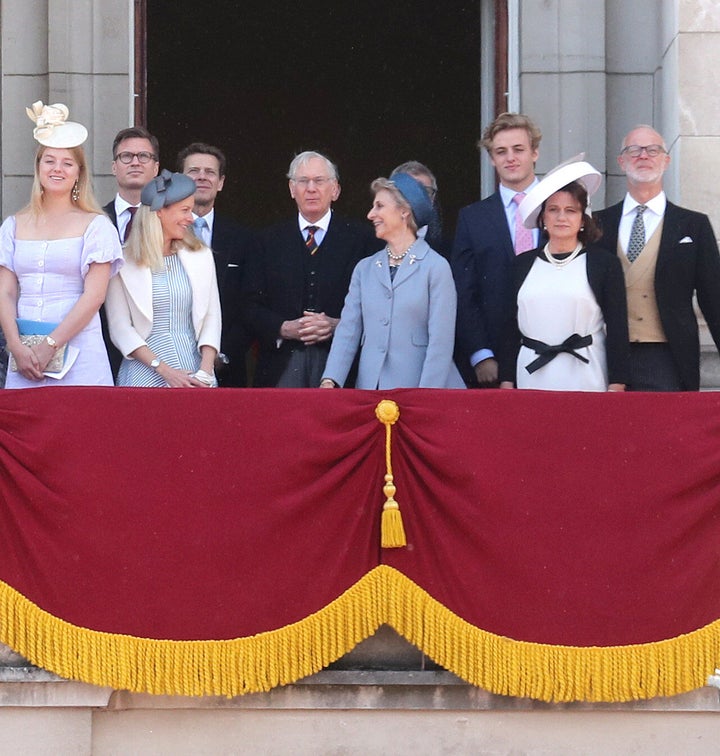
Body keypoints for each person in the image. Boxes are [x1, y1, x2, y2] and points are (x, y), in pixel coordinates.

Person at [0, 101, 123, 388]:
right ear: (38, 167)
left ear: (79, 172)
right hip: (25, 360)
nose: (58, 169)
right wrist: (15, 346)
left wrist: (50, 345)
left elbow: (94, 296)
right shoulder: (13, 225)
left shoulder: (96, 226)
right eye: (50, 161)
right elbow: (5, 292)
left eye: (67, 163)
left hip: (81, 356)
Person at [594, 125, 720, 391]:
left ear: (666, 160)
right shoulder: (599, 224)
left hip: (669, 355)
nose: (644, 156)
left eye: (653, 150)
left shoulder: (693, 225)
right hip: (607, 354)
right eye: (634, 150)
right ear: (621, 160)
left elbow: (714, 297)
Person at [242, 150, 381, 387]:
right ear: (291, 189)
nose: (311, 188)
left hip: (345, 370)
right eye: (303, 181)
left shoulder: (364, 240)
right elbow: (248, 305)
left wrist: (337, 325)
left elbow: (378, 306)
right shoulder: (266, 240)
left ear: (335, 189)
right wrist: (283, 328)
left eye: (319, 181)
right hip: (280, 366)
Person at [320, 174, 465, 389]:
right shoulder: (364, 269)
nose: (371, 214)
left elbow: (440, 344)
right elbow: (348, 331)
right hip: (372, 391)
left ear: (404, 211)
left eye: (379, 206)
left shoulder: (435, 267)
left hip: (420, 391)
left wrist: (425, 397)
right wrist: (330, 379)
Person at [497, 159, 629, 392]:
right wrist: (506, 378)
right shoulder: (521, 265)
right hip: (532, 374)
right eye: (554, 210)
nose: (561, 217)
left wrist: (617, 382)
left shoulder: (604, 264)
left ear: (582, 220)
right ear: (543, 218)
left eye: (571, 211)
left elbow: (617, 328)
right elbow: (508, 328)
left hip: (587, 373)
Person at [105, 170, 221, 388]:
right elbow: (120, 328)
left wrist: (206, 371)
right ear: (159, 212)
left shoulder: (201, 255)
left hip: (196, 371)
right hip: (145, 372)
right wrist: (164, 370)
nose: (190, 218)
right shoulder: (122, 262)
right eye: (185, 210)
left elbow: (212, 316)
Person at [452, 112, 543, 387]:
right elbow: (464, 292)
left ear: (534, 153)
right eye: (500, 152)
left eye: (518, 149)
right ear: (491, 159)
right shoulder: (472, 217)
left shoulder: (561, 209)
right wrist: (480, 354)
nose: (510, 158)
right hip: (493, 356)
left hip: (555, 350)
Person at [177, 142, 257, 387]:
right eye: (194, 171)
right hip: (173, 364)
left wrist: (220, 356)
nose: (202, 177)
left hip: (227, 368)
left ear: (221, 182)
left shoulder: (244, 238)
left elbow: (249, 306)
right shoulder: (161, 234)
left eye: (210, 172)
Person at [102, 126, 161, 378]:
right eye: (126, 156)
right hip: (103, 345)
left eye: (143, 156)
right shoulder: (95, 220)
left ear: (156, 167)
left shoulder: (171, 222)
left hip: (158, 350)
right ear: (114, 166)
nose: (135, 162)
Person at [390, 160, 448, 257]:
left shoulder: (447, 244)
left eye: (426, 191)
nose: (418, 199)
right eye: (409, 192)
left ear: (433, 198)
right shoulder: (375, 239)